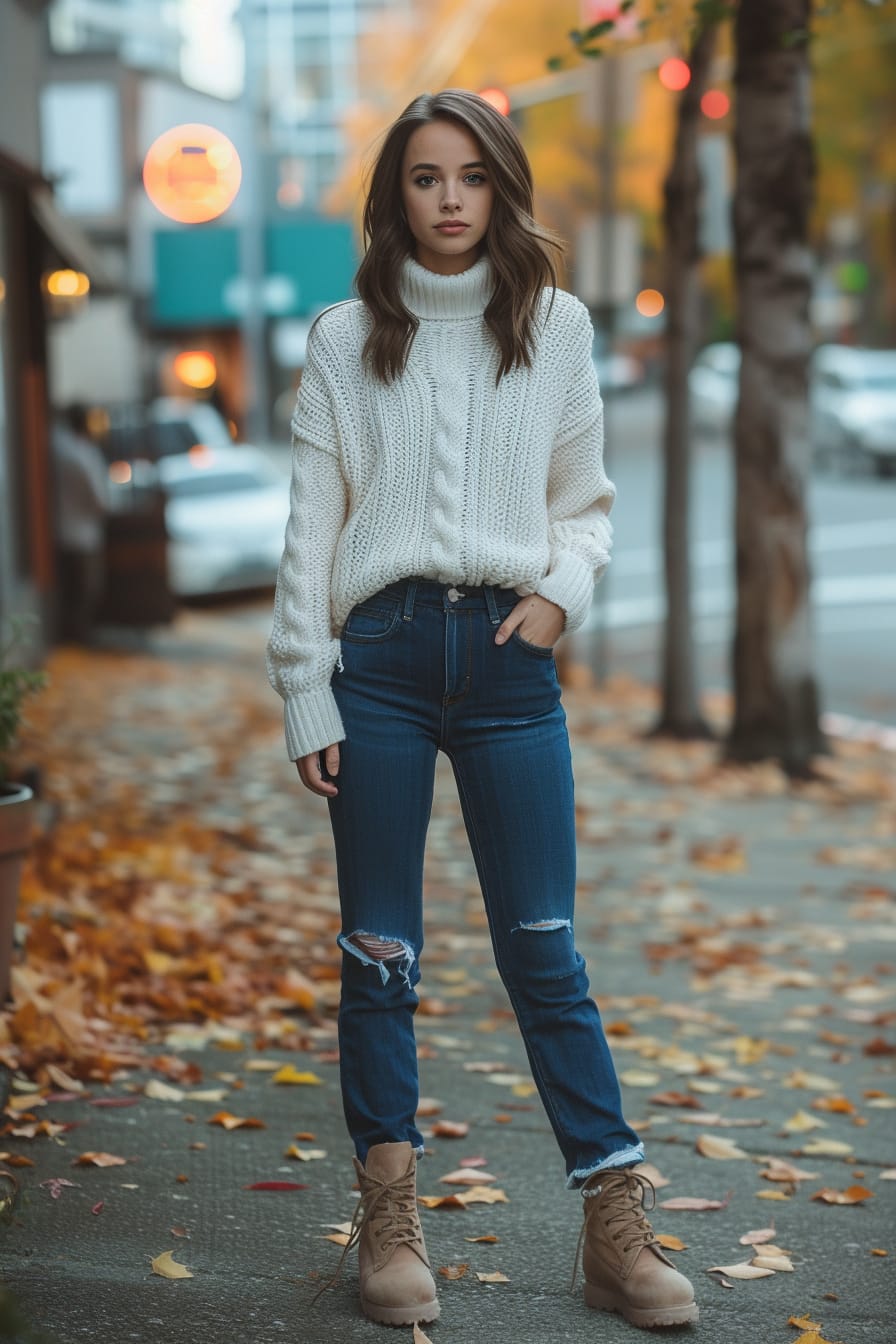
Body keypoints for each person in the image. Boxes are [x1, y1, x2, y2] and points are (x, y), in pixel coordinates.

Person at [267, 89, 698, 1332]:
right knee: (381, 952)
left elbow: (587, 502)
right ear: (392, 196)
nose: (448, 198)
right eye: (422, 178)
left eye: (468, 176)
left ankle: (613, 1228)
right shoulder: (343, 337)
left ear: (502, 187)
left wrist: (559, 594)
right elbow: (311, 531)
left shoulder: (553, 326)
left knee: (544, 947)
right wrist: (305, 686)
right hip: (382, 660)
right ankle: (389, 1215)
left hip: (511, 664)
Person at [51, 403, 109, 643]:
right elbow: (99, 498)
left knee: (68, 591)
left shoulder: (57, 447)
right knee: (84, 591)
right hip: (82, 533)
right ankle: (77, 639)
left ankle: (71, 637)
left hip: (60, 529)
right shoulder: (82, 454)